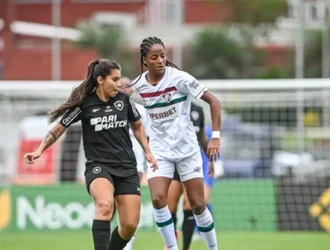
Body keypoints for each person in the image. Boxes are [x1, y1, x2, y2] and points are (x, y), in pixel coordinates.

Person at [23, 59, 157, 250]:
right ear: (101, 80)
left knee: (129, 226)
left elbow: (137, 126)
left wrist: (148, 151)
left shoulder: (124, 100)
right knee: (104, 205)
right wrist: (40, 149)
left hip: (127, 167)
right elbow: (59, 128)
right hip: (99, 166)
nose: (119, 84)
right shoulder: (85, 104)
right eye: (115, 79)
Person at [129, 37, 221, 250]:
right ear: (145, 60)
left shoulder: (180, 78)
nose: (160, 60)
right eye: (154, 57)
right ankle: (172, 247)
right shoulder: (139, 86)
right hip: (160, 152)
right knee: (158, 199)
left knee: (198, 205)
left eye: (163, 55)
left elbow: (214, 101)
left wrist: (215, 136)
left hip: (188, 151)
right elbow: (121, 96)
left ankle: (213, 248)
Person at [165, 102, 214, 250]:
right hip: (172, 163)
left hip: (192, 164)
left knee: (189, 205)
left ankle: (186, 247)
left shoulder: (198, 110)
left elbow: (202, 137)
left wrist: (210, 159)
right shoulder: (168, 108)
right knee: (169, 209)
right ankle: (171, 244)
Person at [120, 76, 149, 250]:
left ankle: (128, 244)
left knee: (129, 205)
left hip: (135, 163)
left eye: (126, 86)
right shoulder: (108, 109)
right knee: (111, 204)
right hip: (113, 162)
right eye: (119, 85)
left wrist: (149, 157)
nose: (123, 88)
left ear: (131, 89)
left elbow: (146, 136)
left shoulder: (140, 110)